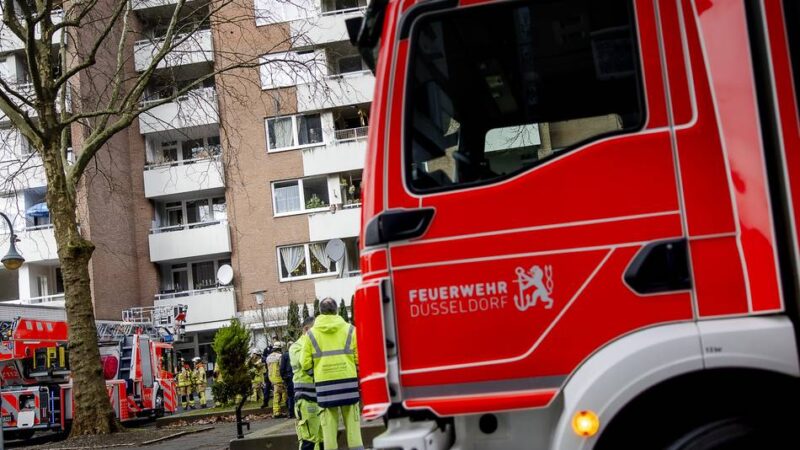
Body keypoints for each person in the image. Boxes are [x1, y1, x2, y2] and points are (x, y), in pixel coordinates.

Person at [302, 298, 362, 450]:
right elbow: (360, 357)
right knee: (353, 426)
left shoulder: (310, 334)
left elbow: (305, 363)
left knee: (328, 428)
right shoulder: (351, 330)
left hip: (324, 386)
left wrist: (315, 375)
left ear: (320, 312)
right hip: (348, 383)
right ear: (336, 311)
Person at [291, 317, 322, 450]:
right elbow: (305, 362)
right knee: (309, 438)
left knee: (321, 438)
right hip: (305, 398)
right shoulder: (296, 347)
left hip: (318, 397)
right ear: (306, 329)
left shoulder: (315, 344)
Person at [267, 342, 288, 418]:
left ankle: (276, 412)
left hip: (272, 379)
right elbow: (282, 367)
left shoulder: (268, 357)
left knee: (276, 395)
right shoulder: (280, 356)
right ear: (279, 349)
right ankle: (287, 410)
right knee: (284, 395)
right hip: (279, 378)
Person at [280, 339, 295, 418]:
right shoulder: (297, 353)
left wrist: (283, 377)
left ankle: (291, 412)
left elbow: (282, 368)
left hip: (289, 377)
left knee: (290, 396)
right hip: (297, 375)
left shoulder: (285, 355)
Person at [261, 343, 273, 408]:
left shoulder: (265, 357)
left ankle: (265, 402)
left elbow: (263, 360)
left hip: (268, 373)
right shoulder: (275, 355)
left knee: (267, 388)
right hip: (272, 372)